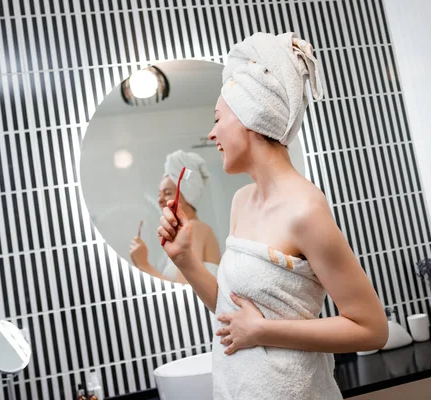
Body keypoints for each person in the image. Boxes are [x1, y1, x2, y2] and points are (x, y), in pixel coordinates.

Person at [156, 32, 388, 399]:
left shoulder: (305, 210)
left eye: (218, 119)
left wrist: (263, 332)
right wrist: (185, 259)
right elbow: (232, 310)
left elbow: (372, 329)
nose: (212, 133)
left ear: (249, 116)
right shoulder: (242, 201)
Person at [130, 150, 220, 284]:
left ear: (188, 195)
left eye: (167, 193)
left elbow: (187, 289)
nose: (160, 199)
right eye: (159, 193)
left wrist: (143, 264)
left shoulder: (193, 228)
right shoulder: (185, 232)